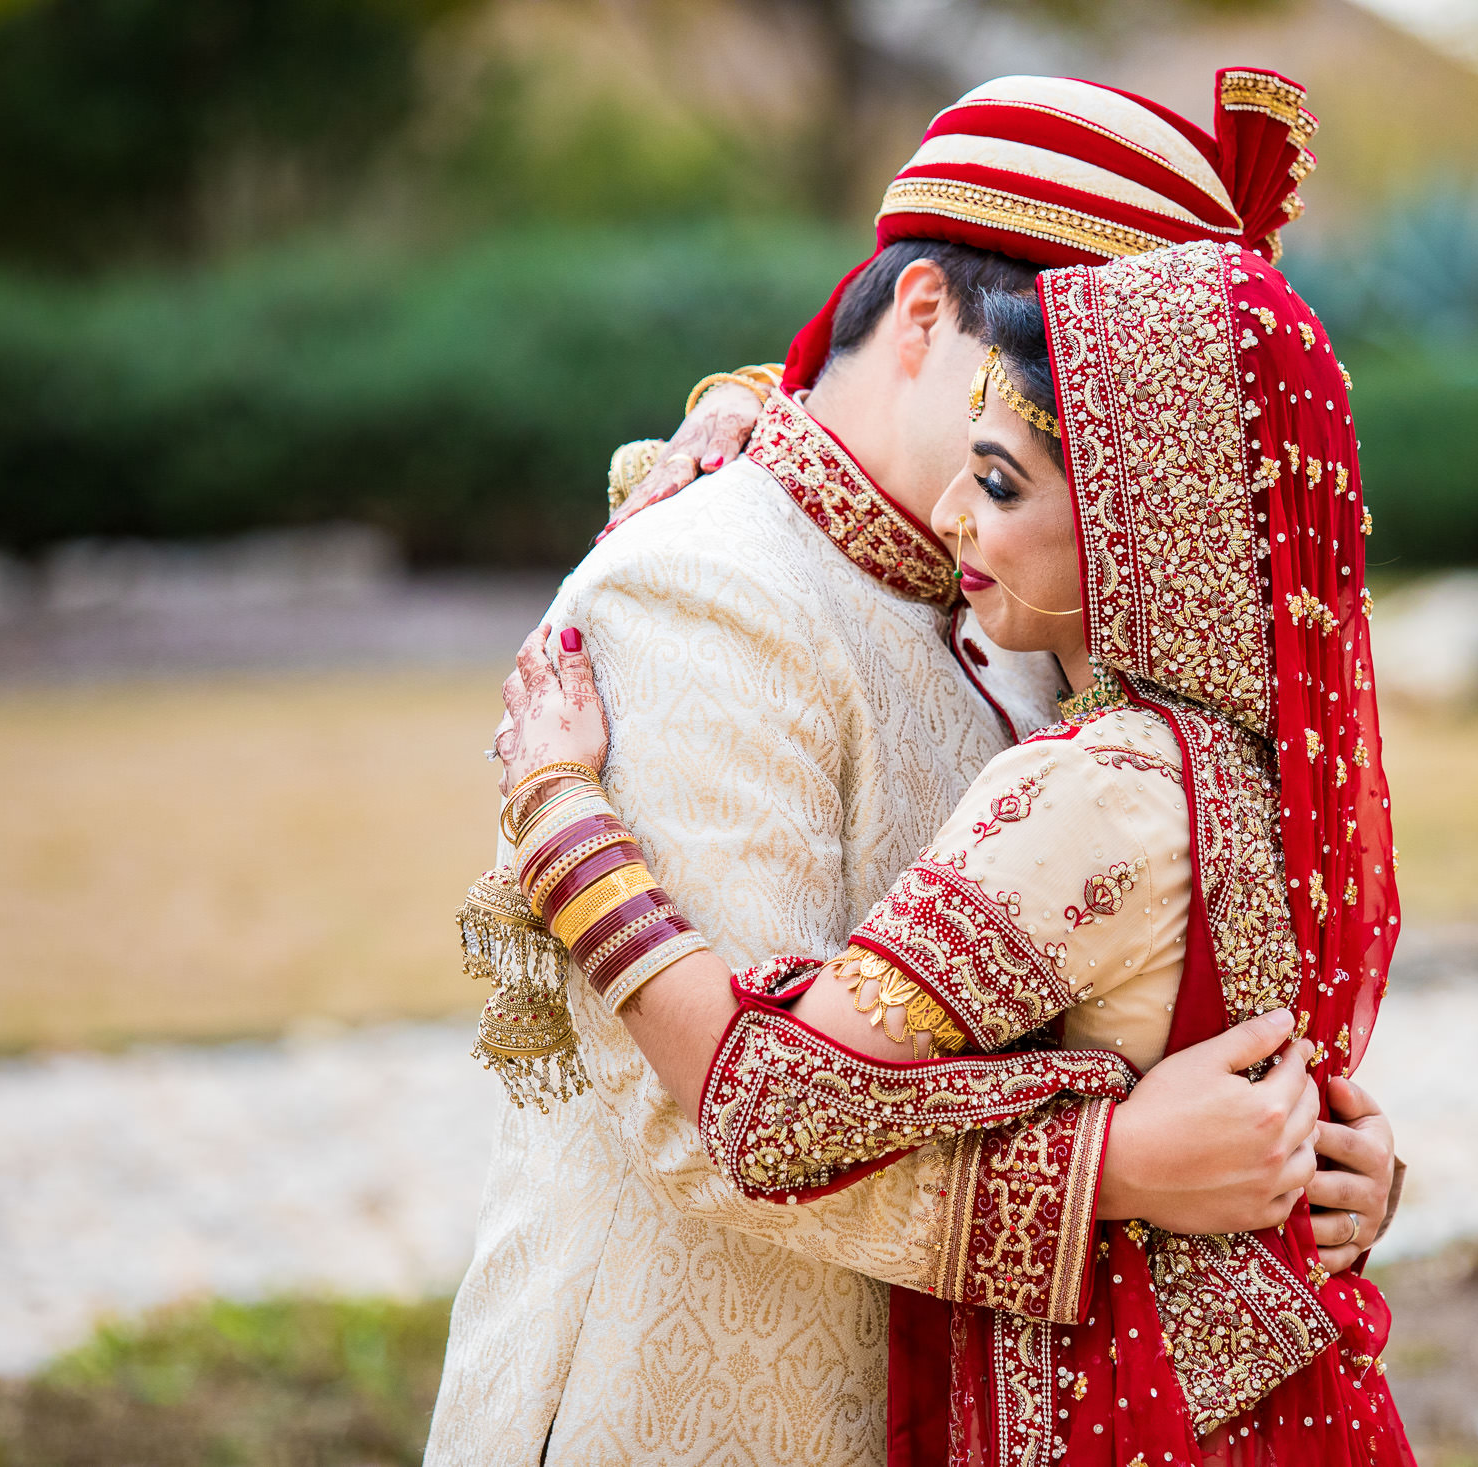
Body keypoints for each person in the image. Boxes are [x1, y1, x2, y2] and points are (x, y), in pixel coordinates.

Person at [427, 71, 1401, 1467]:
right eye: (1079, 397)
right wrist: (1129, 1171)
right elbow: (709, 1122)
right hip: (690, 1412)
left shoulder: (1031, 608)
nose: (1126, 468)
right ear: (934, 316)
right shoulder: (705, 592)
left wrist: (1298, 1154)